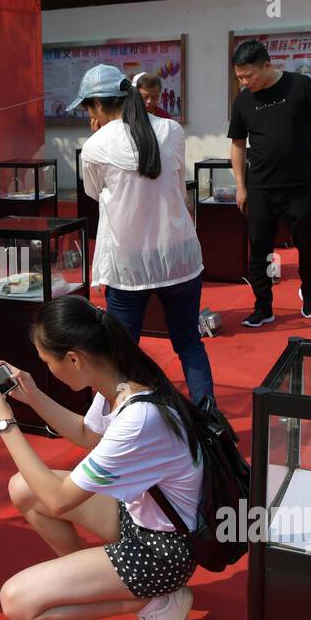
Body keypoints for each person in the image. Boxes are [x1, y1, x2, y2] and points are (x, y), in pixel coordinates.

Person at [0, 296, 203, 620]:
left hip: (163, 551)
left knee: (18, 603)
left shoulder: (138, 420)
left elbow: (58, 500)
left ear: (73, 359)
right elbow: (87, 433)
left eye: (47, 362)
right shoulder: (120, 380)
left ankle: (151, 600)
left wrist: (6, 425)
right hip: (140, 519)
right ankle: (100, 582)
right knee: (23, 486)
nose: (48, 369)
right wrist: (32, 396)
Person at [70, 64, 214, 404]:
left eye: (88, 107)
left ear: (99, 105)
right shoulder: (172, 130)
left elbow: (94, 193)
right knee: (189, 343)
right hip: (179, 255)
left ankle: (127, 421)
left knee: (121, 352)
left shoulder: (95, 146)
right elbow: (178, 186)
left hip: (129, 263)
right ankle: (211, 421)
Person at [227, 40, 311, 326]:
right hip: (261, 186)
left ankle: (309, 294)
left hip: (302, 184)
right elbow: (238, 145)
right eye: (238, 77)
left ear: (266, 65)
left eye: (248, 75)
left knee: (309, 245)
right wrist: (241, 185)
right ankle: (263, 306)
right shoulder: (243, 100)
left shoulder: (300, 85)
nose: (244, 82)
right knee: (259, 248)